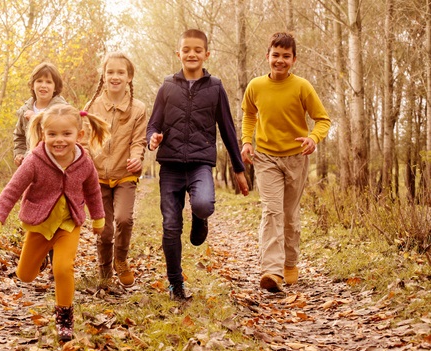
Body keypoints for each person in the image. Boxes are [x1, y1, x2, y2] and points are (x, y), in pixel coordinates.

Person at [0, 104, 110, 341]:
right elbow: (12, 190)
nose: (59, 140)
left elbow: (92, 191)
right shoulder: (34, 161)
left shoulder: (84, 162)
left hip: (68, 223)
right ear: (43, 134)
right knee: (25, 275)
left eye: (66, 134)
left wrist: (98, 218)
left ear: (79, 135)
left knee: (63, 268)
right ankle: (39, 260)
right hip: (40, 225)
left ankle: (64, 319)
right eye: (52, 134)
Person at [146, 29, 249, 301]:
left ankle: (200, 219)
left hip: (200, 163)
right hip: (169, 164)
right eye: (186, 50)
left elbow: (227, 129)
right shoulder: (167, 85)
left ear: (206, 54)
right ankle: (175, 284)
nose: (192, 54)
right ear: (178, 53)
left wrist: (239, 170)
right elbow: (154, 123)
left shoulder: (215, 87)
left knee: (203, 203)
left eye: (197, 50)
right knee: (170, 225)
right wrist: (152, 139)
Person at [240, 32, 331, 293]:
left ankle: (290, 263)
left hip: (296, 159)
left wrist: (313, 138)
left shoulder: (302, 87)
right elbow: (249, 115)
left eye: (286, 56)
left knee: (289, 215)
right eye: (275, 55)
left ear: (294, 60)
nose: (280, 60)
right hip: (266, 157)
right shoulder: (255, 86)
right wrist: (247, 141)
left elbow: (322, 119)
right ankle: (272, 270)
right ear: (267, 56)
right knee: (272, 212)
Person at [83, 52, 148, 289]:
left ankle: (120, 260)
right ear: (103, 75)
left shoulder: (138, 109)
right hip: (97, 176)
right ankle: (104, 271)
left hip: (125, 175)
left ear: (129, 77)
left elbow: (138, 141)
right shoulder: (91, 107)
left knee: (123, 218)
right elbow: (83, 140)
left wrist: (136, 158)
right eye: (110, 72)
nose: (115, 76)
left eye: (121, 72)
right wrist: (86, 163)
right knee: (105, 227)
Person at [13, 62, 68, 274]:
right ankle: (40, 253)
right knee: (34, 210)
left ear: (55, 87)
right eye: (39, 81)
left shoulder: (61, 109)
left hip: (55, 168)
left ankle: (56, 260)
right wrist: (19, 153)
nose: (43, 86)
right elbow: (18, 136)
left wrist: (39, 119)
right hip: (31, 167)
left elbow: (66, 131)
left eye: (48, 82)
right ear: (33, 85)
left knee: (54, 211)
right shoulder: (25, 111)